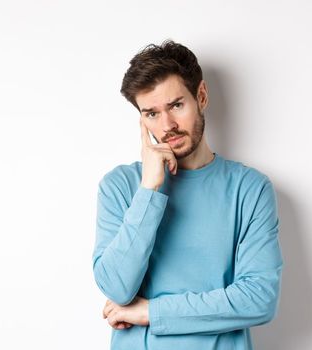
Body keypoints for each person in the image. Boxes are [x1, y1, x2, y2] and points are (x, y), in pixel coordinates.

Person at [92, 40, 283, 350]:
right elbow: (117, 287)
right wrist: (150, 188)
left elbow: (258, 299)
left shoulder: (249, 189)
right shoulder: (121, 186)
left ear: (201, 96)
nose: (167, 126)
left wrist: (152, 312)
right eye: (151, 114)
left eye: (176, 105)